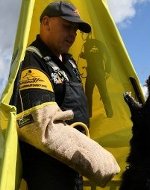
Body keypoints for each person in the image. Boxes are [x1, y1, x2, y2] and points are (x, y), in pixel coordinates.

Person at [13, 1, 91, 190]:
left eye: (75, 29)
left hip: (73, 167)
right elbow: (41, 126)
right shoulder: (33, 61)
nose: (73, 34)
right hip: (48, 174)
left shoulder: (70, 62)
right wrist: (93, 156)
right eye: (67, 26)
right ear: (46, 22)